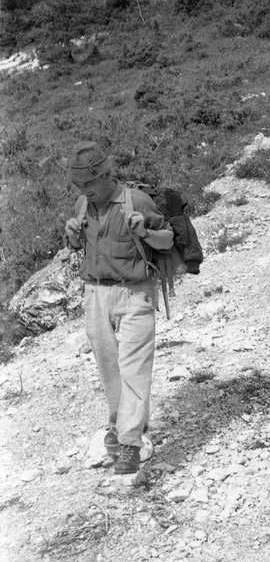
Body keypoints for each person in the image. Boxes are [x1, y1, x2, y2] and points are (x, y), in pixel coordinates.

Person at [63, 142, 175, 476]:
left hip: (134, 293)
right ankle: (118, 423)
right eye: (79, 185)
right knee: (109, 367)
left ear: (106, 175)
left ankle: (129, 444)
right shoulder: (83, 204)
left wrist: (146, 232)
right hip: (95, 294)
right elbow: (79, 246)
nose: (84, 190)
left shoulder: (135, 201)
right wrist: (72, 236)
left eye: (89, 183)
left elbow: (168, 240)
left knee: (135, 368)